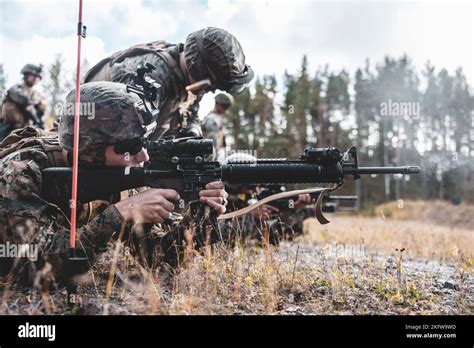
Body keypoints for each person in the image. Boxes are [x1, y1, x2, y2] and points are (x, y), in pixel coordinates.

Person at [0, 81, 227, 288]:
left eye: (143, 142)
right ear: (90, 151)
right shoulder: (19, 173)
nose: (143, 156)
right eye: (131, 146)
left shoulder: (120, 173)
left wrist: (201, 215)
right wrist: (118, 214)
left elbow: (158, 259)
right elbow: (35, 269)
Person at [84, 27, 253, 139]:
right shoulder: (149, 78)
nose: (210, 91)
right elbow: (127, 146)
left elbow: (191, 114)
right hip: (94, 148)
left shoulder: (192, 83)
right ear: (199, 71)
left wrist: (192, 136)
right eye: (211, 86)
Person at [0, 64, 47, 140]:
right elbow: (23, 100)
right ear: (25, 75)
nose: (35, 78)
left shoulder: (37, 95)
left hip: (28, 130)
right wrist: (32, 104)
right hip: (8, 128)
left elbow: (41, 112)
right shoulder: (15, 89)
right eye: (33, 75)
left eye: (38, 77)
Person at [202, 93, 233, 161]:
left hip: (218, 156)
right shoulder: (212, 119)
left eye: (226, 107)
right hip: (211, 157)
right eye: (223, 106)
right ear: (217, 104)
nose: (225, 109)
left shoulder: (218, 118)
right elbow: (211, 142)